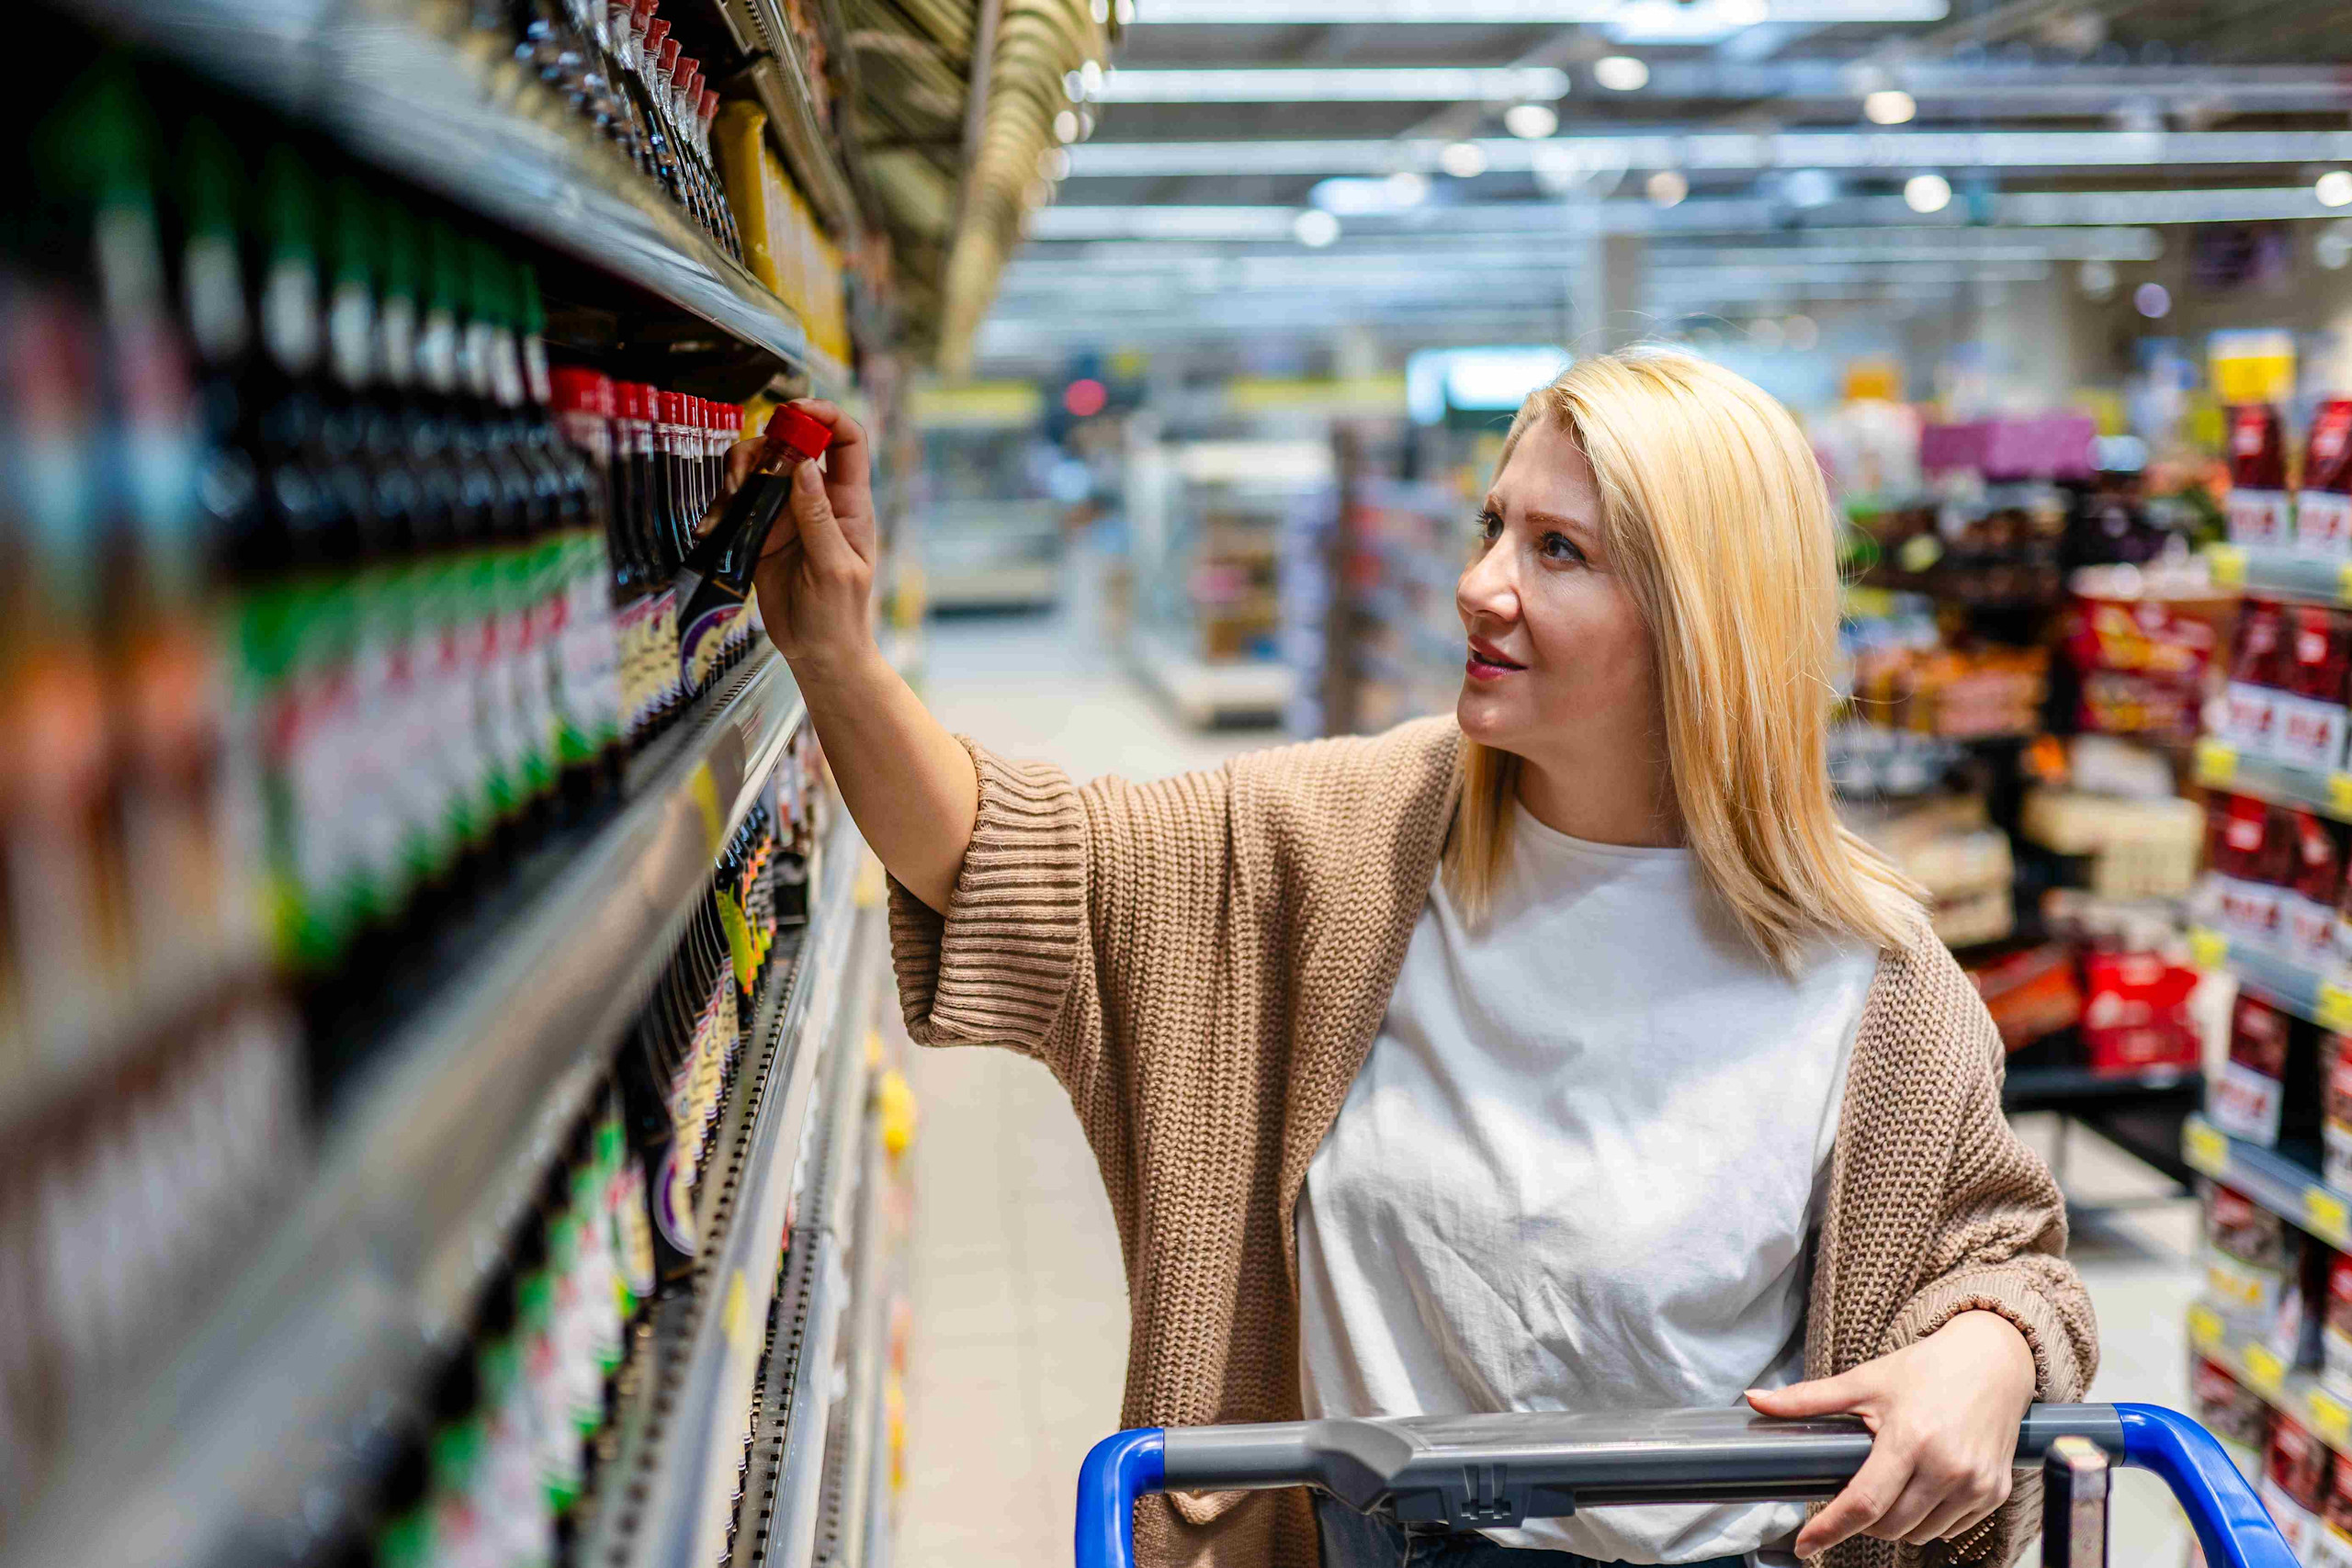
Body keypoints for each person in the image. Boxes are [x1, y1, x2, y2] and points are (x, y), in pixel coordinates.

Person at [739, 348, 2095, 1568]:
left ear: (1703, 623)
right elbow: (1006, 861)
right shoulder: (1336, 849)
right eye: (1493, 523)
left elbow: (2006, 1262)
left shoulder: (1876, 984)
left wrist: (1990, 1353)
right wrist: (834, 653)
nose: (1477, 585)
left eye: (1559, 550)